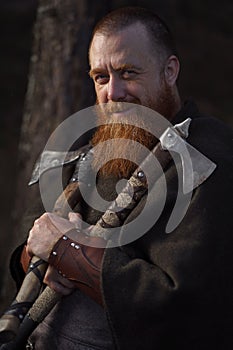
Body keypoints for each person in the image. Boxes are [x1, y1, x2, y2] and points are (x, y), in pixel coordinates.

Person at [9, 6, 233, 350]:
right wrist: (42, 256)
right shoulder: (89, 151)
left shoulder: (207, 157)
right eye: (101, 77)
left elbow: (184, 304)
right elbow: (34, 238)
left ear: (169, 71)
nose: (113, 92)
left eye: (128, 73)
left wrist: (71, 254)